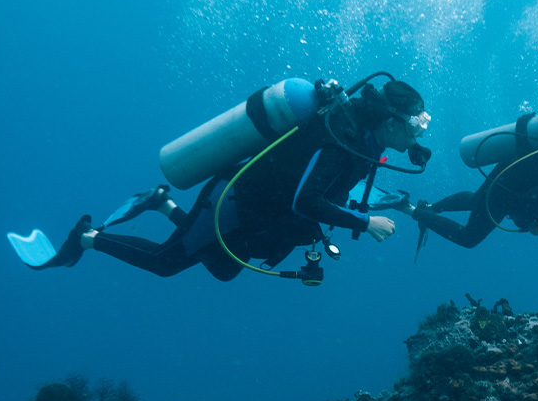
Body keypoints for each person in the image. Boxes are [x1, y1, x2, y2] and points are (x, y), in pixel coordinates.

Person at [31, 79, 430, 282]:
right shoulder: (341, 140)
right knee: (165, 263)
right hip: (234, 205)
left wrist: (389, 203)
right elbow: (305, 201)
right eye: (416, 125)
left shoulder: (362, 142)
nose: (418, 135)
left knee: (223, 270)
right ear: (391, 122)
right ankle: (86, 236)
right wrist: (365, 223)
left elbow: (331, 189)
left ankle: (161, 202)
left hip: (258, 215)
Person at [375, 115, 538, 251]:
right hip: (508, 190)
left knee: (476, 200)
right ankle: (409, 208)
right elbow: (535, 198)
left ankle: (430, 208)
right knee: (469, 238)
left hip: (507, 170)